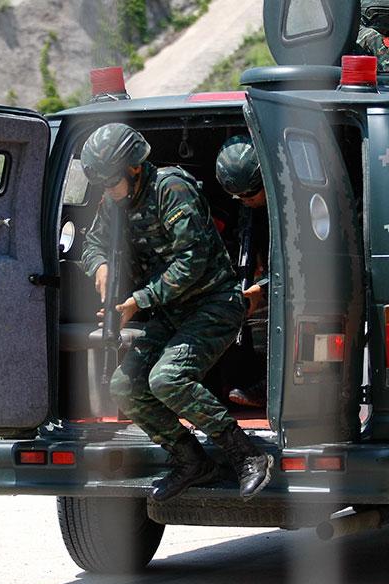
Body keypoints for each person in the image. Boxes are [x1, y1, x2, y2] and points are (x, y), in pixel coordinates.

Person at [79, 123, 272, 503]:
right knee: (125, 387)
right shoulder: (115, 200)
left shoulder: (171, 187)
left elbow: (192, 262)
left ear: (133, 168)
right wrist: (100, 266)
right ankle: (190, 459)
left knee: (168, 379)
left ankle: (246, 454)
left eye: (110, 181)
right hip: (170, 310)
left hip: (213, 303)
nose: (107, 190)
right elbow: (92, 244)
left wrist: (139, 302)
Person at [214, 135, 269, 408]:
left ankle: (269, 384)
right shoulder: (245, 207)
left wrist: (265, 287)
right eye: (238, 196)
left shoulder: (289, 202)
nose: (244, 200)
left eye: (250, 194)